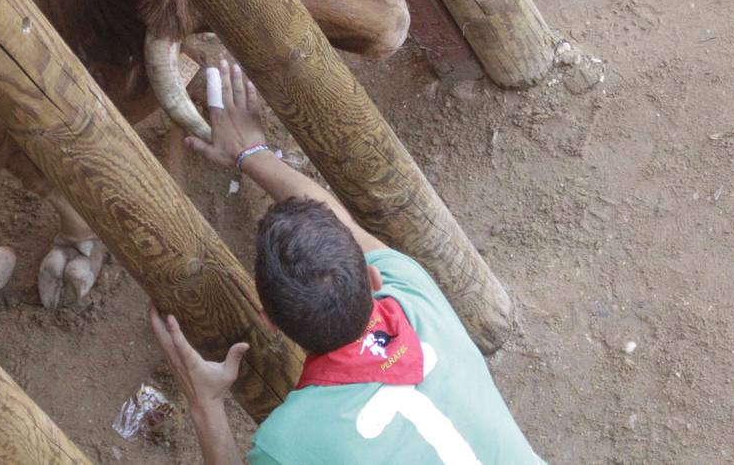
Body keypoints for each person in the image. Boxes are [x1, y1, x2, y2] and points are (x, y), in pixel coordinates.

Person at [148, 61, 545, 464]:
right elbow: (340, 219)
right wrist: (253, 153)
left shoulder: (287, 443)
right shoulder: (413, 294)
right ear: (373, 279)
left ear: (269, 321)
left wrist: (206, 402)